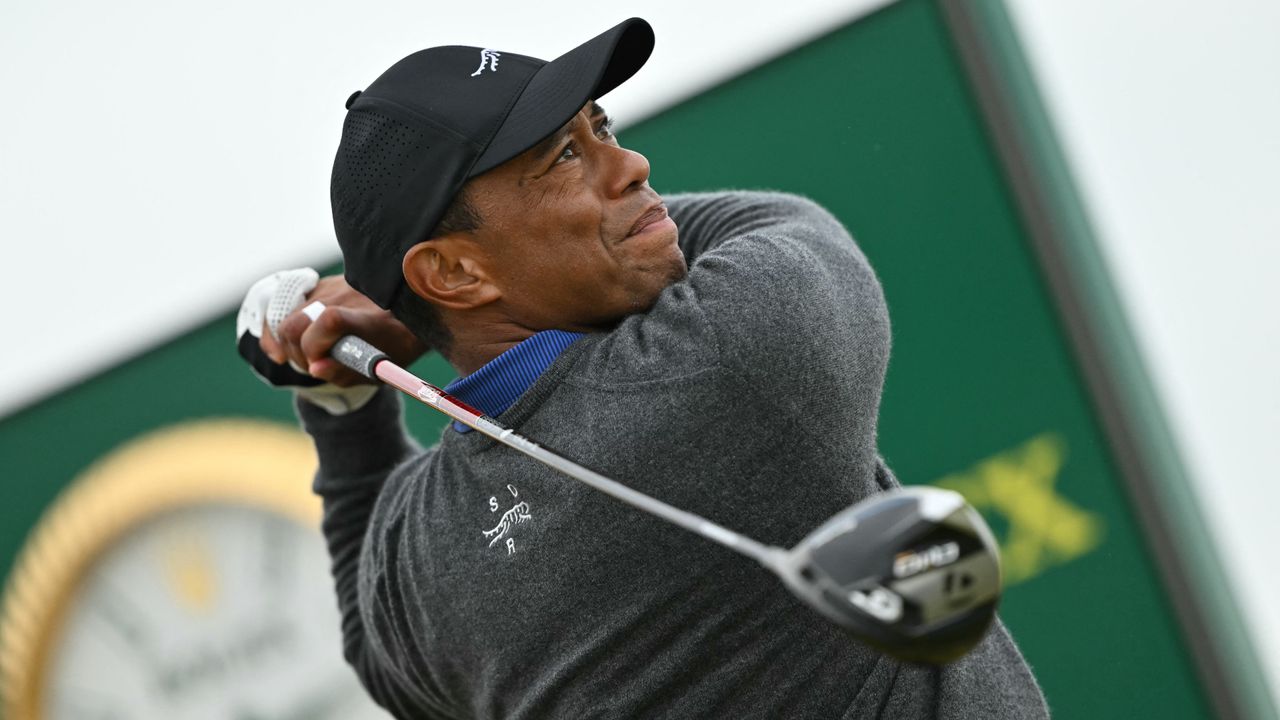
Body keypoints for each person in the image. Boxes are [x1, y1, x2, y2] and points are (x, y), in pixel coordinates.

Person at [237, 18, 1050, 719]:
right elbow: (782, 227)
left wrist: (346, 402)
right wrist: (398, 311)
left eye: (604, 128)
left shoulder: (423, 560)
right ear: (454, 273)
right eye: (562, 157)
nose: (631, 168)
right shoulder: (733, 357)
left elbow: (375, 644)